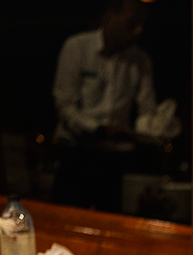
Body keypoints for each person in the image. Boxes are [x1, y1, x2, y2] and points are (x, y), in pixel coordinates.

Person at [51, 0, 158, 211]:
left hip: (118, 160)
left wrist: (154, 129)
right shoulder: (77, 47)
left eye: (142, 23)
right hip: (78, 155)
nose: (139, 30)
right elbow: (64, 105)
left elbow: (147, 109)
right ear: (109, 17)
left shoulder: (140, 60)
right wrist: (99, 129)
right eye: (132, 22)